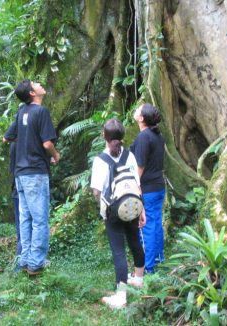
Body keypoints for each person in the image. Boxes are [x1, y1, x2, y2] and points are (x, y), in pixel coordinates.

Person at [3, 80, 60, 276]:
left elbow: (7, 137)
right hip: (35, 173)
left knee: (26, 218)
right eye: (35, 83)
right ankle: (36, 263)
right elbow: (46, 144)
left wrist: (27, 141)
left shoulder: (21, 112)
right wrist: (55, 155)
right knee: (40, 219)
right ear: (32, 92)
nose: (39, 83)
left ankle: (25, 259)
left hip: (20, 173)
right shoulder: (41, 112)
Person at [90, 118, 146, 309]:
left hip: (113, 211)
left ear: (103, 136)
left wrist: (103, 206)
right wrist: (141, 209)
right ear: (122, 136)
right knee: (135, 241)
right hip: (132, 205)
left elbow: (97, 191)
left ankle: (121, 297)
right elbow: (136, 184)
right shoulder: (129, 156)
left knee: (119, 251)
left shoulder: (100, 160)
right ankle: (139, 279)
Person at [130, 103, 166, 274]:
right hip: (158, 187)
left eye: (138, 109)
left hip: (147, 189)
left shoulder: (144, 137)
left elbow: (140, 168)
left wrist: (134, 189)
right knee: (156, 224)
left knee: (146, 227)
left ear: (142, 118)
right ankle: (159, 260)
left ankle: (148, 268)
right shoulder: (156, 135)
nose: (135, 110)